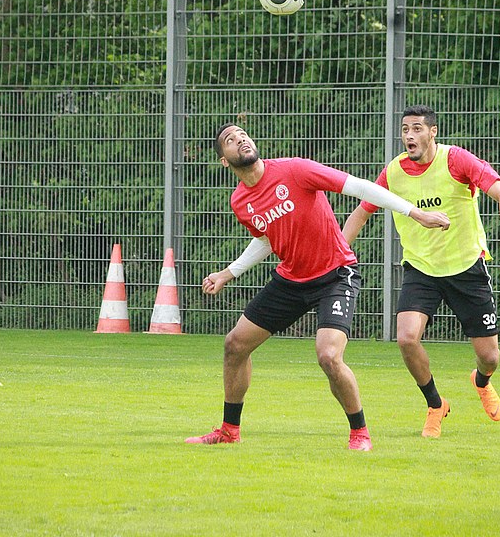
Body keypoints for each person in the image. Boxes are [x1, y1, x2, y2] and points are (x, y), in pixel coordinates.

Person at [186, 122, 450, 450]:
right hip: (291, 280)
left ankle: (360, 433)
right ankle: (229, 431)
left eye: (243, 134)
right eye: (230, 139)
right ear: (224, 161)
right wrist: (229, 272)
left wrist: (415, 213)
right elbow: (267, 238)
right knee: (235, 345)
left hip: (335, 275)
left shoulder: (295, 170)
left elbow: (360, 187)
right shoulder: (240, 201)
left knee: (328, 355)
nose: (240, 139)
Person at [342, 105, 500, 439]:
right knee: (406, 338)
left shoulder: (456, 160)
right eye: (405, 129)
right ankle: (436, 404)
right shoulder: (394, 172)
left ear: (432, 132)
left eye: (416, 128)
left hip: (466, 267)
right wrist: (336, 253)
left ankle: (481, 381)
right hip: (421, 269)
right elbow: (361, 212)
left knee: (490, 357)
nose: (409, 135)